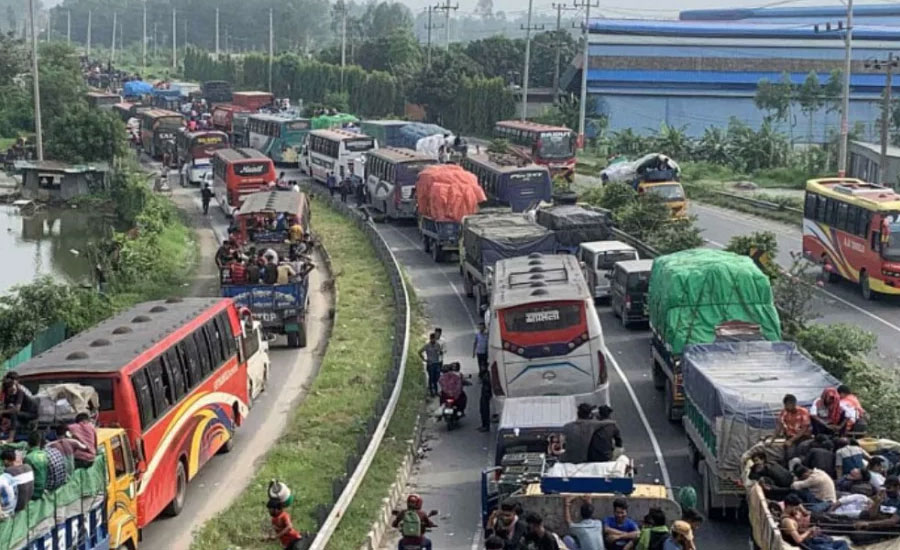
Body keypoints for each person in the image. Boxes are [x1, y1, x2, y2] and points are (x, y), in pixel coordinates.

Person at [782, 494, 850, 550]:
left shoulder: (793, 513)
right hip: (807, 544)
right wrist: (809, 531)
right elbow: (798, 540)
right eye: (795, 508)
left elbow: (805, 512)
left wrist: (812, 531)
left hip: (812, 538)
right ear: (788, 506)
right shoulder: (788, 522)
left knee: (843, 543)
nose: (797, 511)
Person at [24, 432, 49, 499]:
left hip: (34, 492)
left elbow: (27, 479)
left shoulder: (28, 458)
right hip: (43, 488)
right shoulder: (44, 454)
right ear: (39, 442)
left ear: (28, 442)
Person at [419, 333, 443, 398]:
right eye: (432, 339)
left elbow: (440, 352)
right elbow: (420, 351)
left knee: (436, 378)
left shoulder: (437, 345)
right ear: (430, 339)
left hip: (436, 363)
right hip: (430, 364)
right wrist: (424, 359)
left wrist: (440, 352)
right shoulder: (427, 345)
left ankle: (436, 391)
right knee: (431, 378)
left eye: (434, 339)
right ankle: (432, 392)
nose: (433, 340)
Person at [478, 363, 492, 433]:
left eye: (483, 366)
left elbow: (488, 384)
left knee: (485, 410)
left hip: (486, 394)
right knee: (482, 410)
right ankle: (484, 425)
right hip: (484, 393)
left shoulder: (487, 375)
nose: (481, 368)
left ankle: (486, 426)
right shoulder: (485, 374)